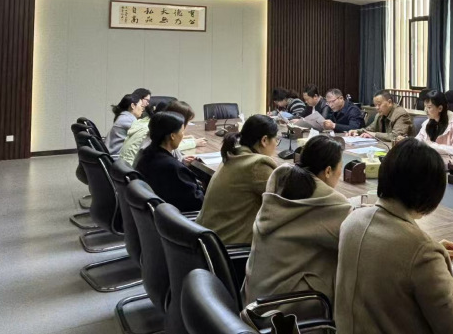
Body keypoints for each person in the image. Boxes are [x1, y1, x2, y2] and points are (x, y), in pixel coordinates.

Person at [335, 139, 453, 333]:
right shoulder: (422, 253)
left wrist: (427, 254)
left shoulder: (352, 220)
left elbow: (389, 257)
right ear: (431, 193)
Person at [244, 135, 351, 307]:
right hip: (285, 310)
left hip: (254, 299)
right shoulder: (330, 204)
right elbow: (357, 241)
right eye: (340, 167)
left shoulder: (281, 184)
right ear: (328, 171)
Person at [197, 115, 280, 245]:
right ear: (264, 140)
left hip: (209, 240)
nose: (276, 145)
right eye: (276, 139)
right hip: (229, 247)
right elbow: (285, 200)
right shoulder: (257, 164)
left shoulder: (233, 154)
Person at [135, 111, 204, 212]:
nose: (183, 135)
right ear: (172, 136)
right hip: (176, 217)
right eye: (182, 132)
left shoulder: (147, 154)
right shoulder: (172, 167)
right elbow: (197, 202)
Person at [415, 90, 453, 164]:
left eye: (429, 107)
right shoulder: (427, 123)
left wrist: (432, 146)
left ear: (440, 108)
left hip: (449, 165)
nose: (425, 110)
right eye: (425, 106)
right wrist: (408, 141)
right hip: (430, 162)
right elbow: (418, 140)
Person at [349, 89, 414, 143]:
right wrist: (357, 131)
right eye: (375, 105)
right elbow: (370, 129)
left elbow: (396, 136)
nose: (377, 108)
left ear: (389, 102)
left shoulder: (401, 114)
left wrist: (374, 135)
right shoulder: (379, 115)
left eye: (379, 104)